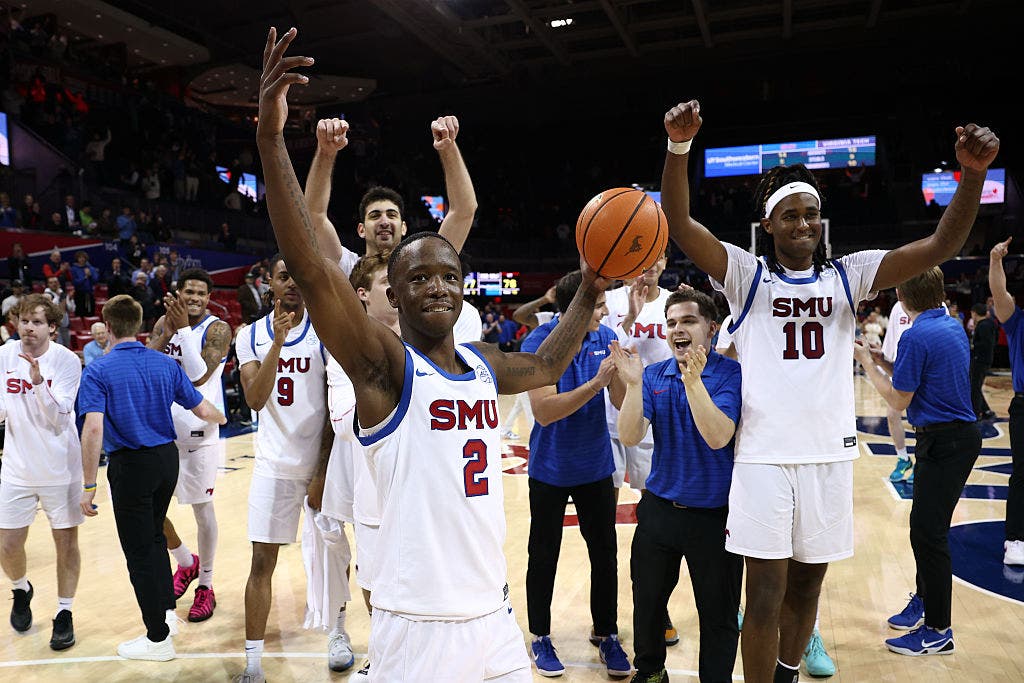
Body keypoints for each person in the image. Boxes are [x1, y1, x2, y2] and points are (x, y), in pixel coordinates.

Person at [255, 26, 612, 681]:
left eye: (448, 274)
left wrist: (587, 289)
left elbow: (548, 366)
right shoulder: (382, 365)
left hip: (492, 615)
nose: (438, 284)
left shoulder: (480, 362)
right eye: (419, 277)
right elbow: (309, 264)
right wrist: (272, 139)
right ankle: (342, 626)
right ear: (389, 291)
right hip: (417, 627)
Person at [659, 98, 998, 682]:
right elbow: (682, 224)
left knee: (809, 583)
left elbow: (940, 247)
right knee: (764, 592)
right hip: (764, 456)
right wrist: (679, 148)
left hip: (829, 455)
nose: (802, 224)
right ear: (768, 225)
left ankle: (787, 675)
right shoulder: (747, 276)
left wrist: (970, 176)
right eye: (789, 215)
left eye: (810, 213)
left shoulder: (851, 273)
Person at [77, 295, 226, 661]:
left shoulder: (98, 371)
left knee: (140, 553)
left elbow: (93, 429)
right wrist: (222, 419)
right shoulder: (163, 363)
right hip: (166, 461)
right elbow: (203, 407)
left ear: (107, 327)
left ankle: (157, 639)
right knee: (156, 536)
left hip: (131, 466)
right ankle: (167, 615)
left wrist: (88, 485)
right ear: (141, 324)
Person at [613, 288, 742, 683]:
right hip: (660, 512)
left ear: (711, 329)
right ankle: (651, 673)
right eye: (671, 323)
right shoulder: (653, 376)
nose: (677, 329)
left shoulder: (730, 374)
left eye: (688, 321)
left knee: (718, 615)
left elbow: (718, 435)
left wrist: (693, 382)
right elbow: (630, 435)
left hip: (714, 518)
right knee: (648, 603)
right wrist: (633, 387)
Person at [853, 267, 980, 657]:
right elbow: (917, 376)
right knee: (927, 530)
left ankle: (939, 630)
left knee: (929, 535)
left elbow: (897, 400)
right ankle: (925, 603)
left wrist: (866, 363)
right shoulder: (952, 325)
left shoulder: (915, 335)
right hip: (956, 439)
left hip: (943, 442)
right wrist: (884, 360)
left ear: (902, 299)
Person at [520, 270, 631, 678]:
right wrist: (596, 383)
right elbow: (544, 412)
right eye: (597, 307)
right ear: (574, 311)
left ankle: (606, 633)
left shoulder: (604, 339)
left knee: (604, 554)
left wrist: (623, 377)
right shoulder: (537, 343)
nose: (603, 313)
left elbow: (618, 402)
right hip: (550, 468)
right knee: (543, 555)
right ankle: (541, 636)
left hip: (595, 465)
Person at [232, 254, 331, 682]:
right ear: (269, 283)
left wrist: (323, 471)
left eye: (297, 275)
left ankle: (339, 636)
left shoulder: (327, 333)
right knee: (261, 562)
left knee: (331, 560)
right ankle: (253, 665)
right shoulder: (249, 335)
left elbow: (335, 409)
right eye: (283, 276)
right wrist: (276, 341)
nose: (292, 283)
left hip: (318, 466)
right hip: (273, 465)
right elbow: (254, 398)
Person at [303, 114, 484, 342]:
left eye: (392, 215)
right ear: (361, 229)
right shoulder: (347, 266)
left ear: (404, 226)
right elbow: (313, 216)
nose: (384, 221)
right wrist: (326, 153)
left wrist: (448, 147)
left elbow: (464, 210)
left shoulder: (424, 263)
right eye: (375, 215)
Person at [146, 269, 232, 622]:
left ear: (209, 297)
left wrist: (180, 330)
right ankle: (185, 561)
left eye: (201, 293)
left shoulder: (217, 329)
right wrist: (167, 329)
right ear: (178, 293)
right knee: (151, 507)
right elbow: (148, 361)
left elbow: (198, 376)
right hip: (164, 431)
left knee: (202, 511)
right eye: (189, 291)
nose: (195, 298)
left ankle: (206, 584)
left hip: (199, 436)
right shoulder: (163, 323)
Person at [0, 295, 83, 650]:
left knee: (65, 544)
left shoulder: (65, 361)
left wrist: (37, 383)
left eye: (37, 322)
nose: (28, 328)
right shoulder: (4, 355)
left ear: (52, 326)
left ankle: (64, 612)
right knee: (7, 544)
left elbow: (59, 416)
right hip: (17, 467)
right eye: (23, 321)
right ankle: (21, 589)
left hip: (60, 469)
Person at [988, 237, 1024, 567]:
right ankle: (1015, 539)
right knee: (1022, 474)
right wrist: (996, 260)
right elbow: (1000, 297)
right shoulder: (1018, 320)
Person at [882, 296, 915, 483]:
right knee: (892, 414)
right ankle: (903, 458)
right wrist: (884, 364)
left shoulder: (938, 304)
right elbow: (891, 338)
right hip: (900, 368)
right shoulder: (898, 306)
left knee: (919, 420)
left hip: (923, 367)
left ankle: (922, 462)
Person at [969, 302, 997, 420]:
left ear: (975, 313)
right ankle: (985, 410)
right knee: (976, 386)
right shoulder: (989, 324)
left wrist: (973, 346)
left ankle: (976, 413)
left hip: (980, 359)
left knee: (974, 386)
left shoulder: (983, 325)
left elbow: (986, 344)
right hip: (984, 358)